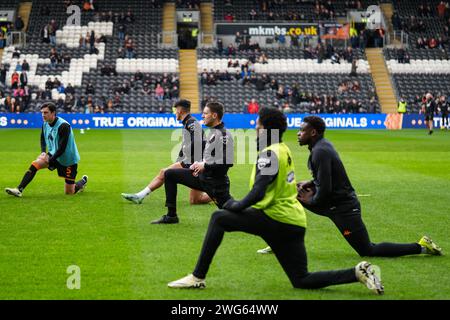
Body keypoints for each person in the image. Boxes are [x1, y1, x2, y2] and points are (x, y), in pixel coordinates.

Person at [167, 108, 384, 295]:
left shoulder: (269, 154)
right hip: (293, 223)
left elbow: (259, 191)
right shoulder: (283, 149)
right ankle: (357, 272)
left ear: (267, 130)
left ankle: (197, 277)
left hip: (275, 219)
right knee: (301, 279)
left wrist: (236, 205)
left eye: (258, 126)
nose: (255, 129)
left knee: (219, 218)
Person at [257, 115, 442, 256]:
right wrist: (310, 184)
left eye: (302, 130)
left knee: (368, 250)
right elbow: (326, 178)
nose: (298, 133)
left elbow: (326, 190)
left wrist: (311, 200)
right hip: (334, 201)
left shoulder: (320, 152)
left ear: (313, 133)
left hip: (342, 207)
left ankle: (421, 246)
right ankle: (278, 243)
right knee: (288, 195)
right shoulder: (321, 146)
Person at [151, 101, 234, 224]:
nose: (202, 116)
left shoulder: (223, 135)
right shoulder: (213, 132)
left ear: (214, 116)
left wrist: (204, 165)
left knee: (235, 211)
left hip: (215, 184)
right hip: (203, 178)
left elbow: (227, 162)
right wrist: (199, 163)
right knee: (169, 174)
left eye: (205, 113)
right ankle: (171, 216)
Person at [121, 99, 211, 205]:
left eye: (175, 110)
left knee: (195, 201)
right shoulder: (188, 122)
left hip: (196, 164)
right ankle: (139, 196)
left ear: (180, 110)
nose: (174, 113)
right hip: (191, 161)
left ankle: (217, 194)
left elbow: (198, 140)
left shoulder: (191, 122)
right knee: (164, 172)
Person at [5, 102, 88, 197]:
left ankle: (83, 182)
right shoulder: (45, 123)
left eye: (46, 112)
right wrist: (43, 152)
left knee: (69, 192)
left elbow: (62, 149)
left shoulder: (64, 126)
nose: (43, 115)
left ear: (53, 113)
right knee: (35, 164)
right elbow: (42, 138)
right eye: (42, 112)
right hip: (54, 154)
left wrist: (50, 160)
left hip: (67, 159)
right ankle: (19, 189)